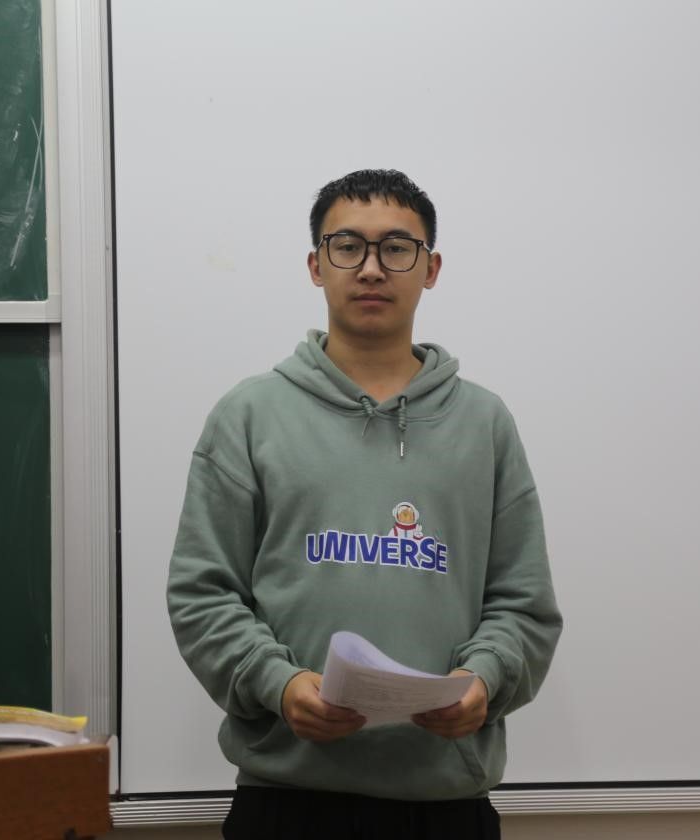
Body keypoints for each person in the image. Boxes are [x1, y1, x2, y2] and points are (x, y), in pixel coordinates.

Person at [167, 169, 562, 839]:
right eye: (347, 246)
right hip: (286, 801)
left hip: (444, 804)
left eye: (397, 248)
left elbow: (522, 603)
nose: (372, 268)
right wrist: (277, 682)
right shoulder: (250, 415)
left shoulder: (484, 423)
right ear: (315, 266)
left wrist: (483, 679)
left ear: (430, 268)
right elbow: (202, 594)